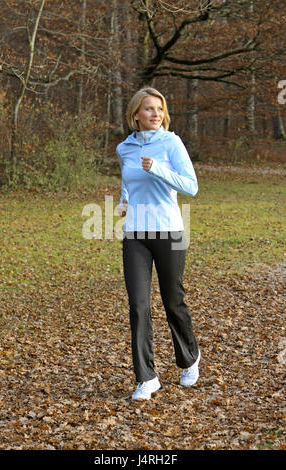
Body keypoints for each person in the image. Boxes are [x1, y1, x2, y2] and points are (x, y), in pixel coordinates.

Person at [116, 87, 200, 401]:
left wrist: (160, 170)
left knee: (173, 301)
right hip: (136, 234)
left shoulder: (171, 143)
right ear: (136, 114)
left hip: (169, 232)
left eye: (159, 109)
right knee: (138, 305)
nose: (156, 114)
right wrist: (124, 201)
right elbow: (127, 181)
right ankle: (147, 378)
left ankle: (189, 357)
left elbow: (191, 187)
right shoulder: (124, 148)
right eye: (149, 109)